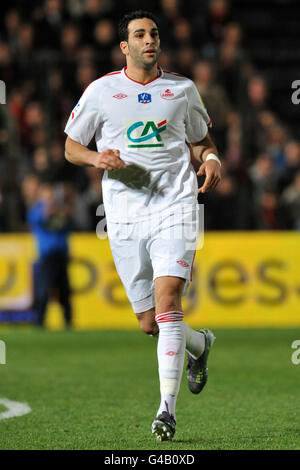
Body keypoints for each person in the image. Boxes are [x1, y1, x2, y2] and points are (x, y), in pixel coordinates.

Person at [64, 10, 221, 441]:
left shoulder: (182, 89)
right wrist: (97, 158)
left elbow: (202, 140)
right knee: (150, 322)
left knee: (170, 299)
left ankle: (166, 411)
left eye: (153, 33)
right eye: (139, 34)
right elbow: (70, 146)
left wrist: (211, 159)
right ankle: (200, 345)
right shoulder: (100, 92)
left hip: (176, 204)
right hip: (124, 214)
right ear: (124, 47)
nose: (149, 40)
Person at [27, 179, 73, 328]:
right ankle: (39, 321)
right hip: (47, 256)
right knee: (43, 290)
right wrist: (49, 211)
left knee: (64, 291)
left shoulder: (60, 209)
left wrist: (65, 213)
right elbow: (37, 219)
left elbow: (69, 224)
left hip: (61, 254)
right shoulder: (37, 210)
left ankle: (68, 322)